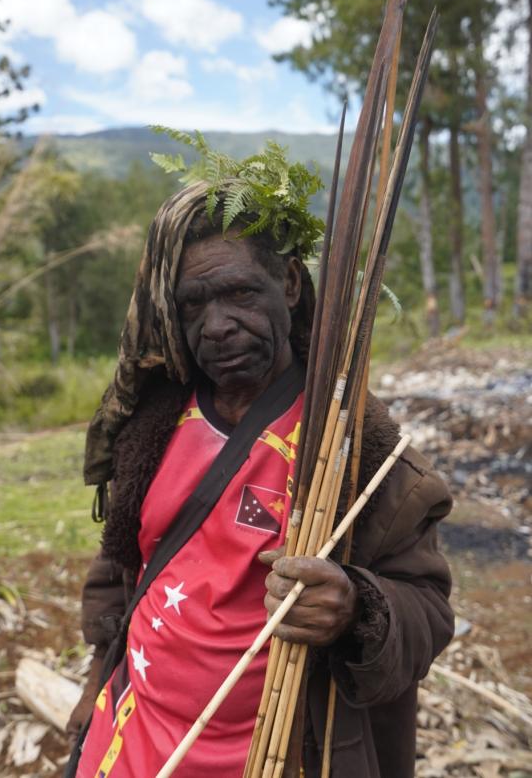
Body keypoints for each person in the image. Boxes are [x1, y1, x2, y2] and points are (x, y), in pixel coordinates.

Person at [66, 178, 454, 778]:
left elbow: (428, 609)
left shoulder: (353, 453)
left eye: (241, 292)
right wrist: (97, 681)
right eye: (195, 303)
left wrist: (355, 606)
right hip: (131, 738)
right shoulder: (155, 421)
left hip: (277, 756)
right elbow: (124, 556)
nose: (217, 325)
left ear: (291, 285)